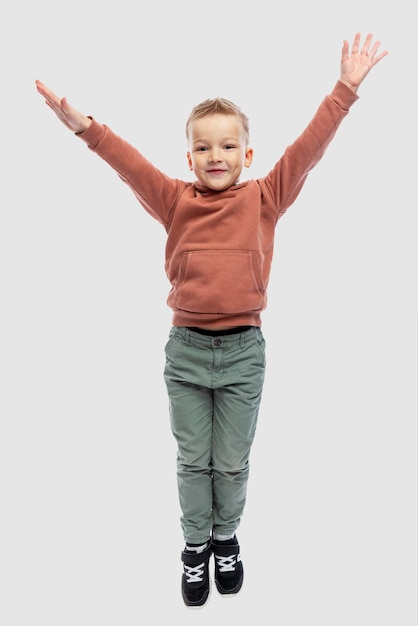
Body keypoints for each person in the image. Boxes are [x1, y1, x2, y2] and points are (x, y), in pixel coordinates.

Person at [35, 32, 387, 607]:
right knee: (192, 460)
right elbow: (127, 163)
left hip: (245, 352)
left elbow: (309, 148)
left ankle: (227, 539)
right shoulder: (174, 200)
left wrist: (345, 88)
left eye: (228, 147)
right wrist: (83, 124)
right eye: (203, 148)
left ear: (246, 156)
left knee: (231, 461)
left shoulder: (266, 197)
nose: (216, 157)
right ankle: (195, 547)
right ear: (190, 157)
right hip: (188, 353)